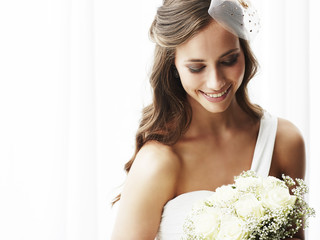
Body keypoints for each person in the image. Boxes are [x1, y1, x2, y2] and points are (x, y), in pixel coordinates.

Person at [111, 0, 306, 239]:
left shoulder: (284, 141)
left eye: (229, 60)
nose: (216, 82)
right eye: (196, 68)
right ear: (173, 64)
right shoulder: (158, 161)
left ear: (244, 51)